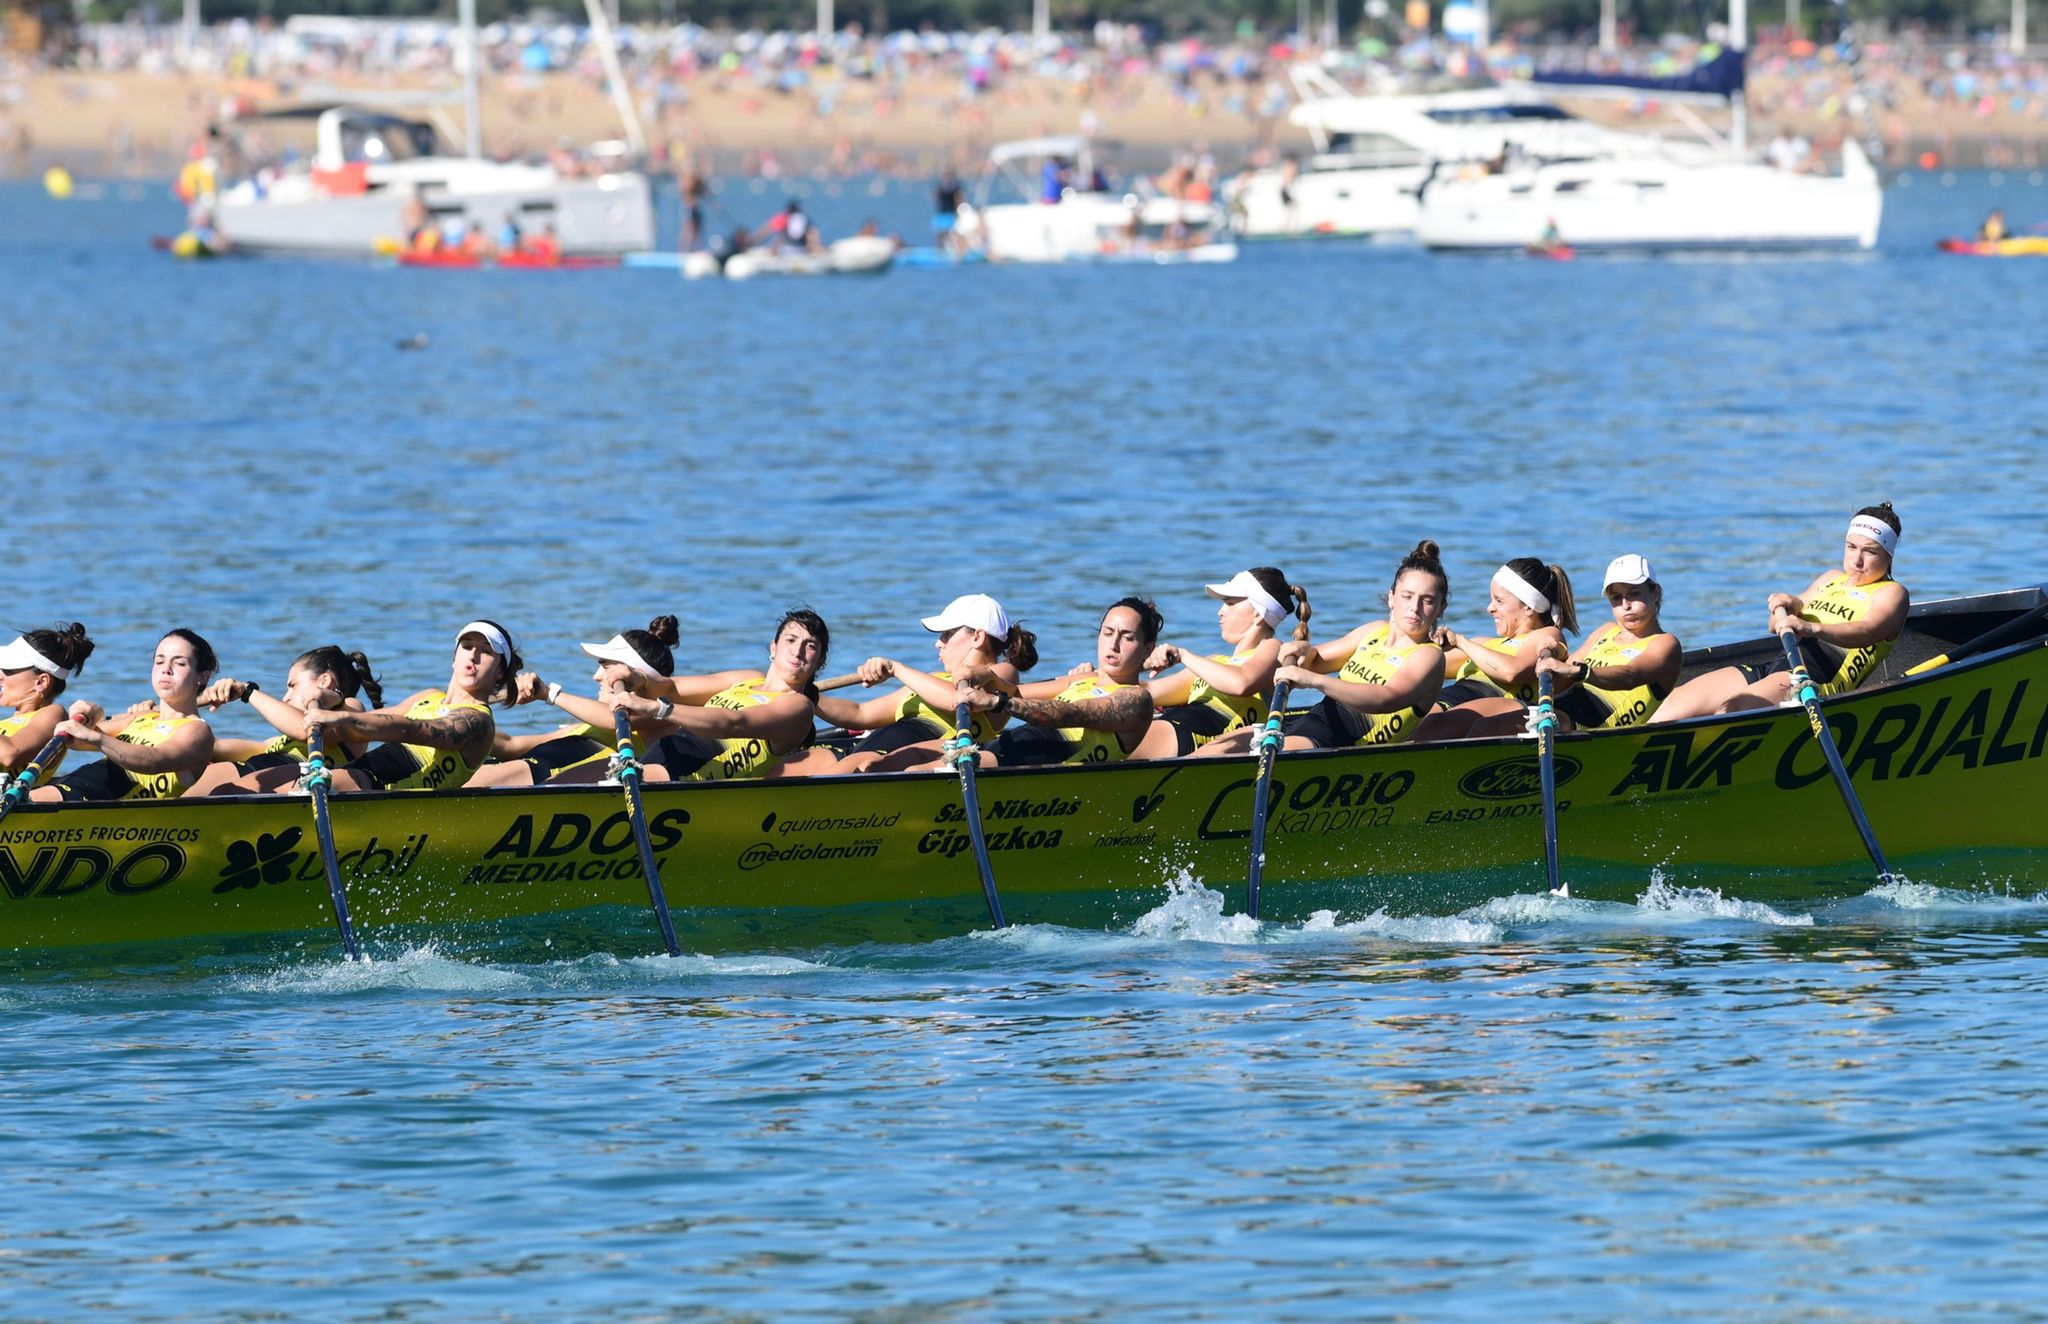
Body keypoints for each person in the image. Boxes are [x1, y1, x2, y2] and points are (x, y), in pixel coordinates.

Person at [1654, 504, 1908, 721]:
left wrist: (1809, 627)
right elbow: (1772, 625)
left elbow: (1866, 631)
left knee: (1731, 710)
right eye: (1851, 547)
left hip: (1812, 682)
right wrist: (1788, 606)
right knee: (1671, 706)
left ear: (1888, 555)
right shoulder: (1830, 579)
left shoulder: (1892, 593)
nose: (1857, 560)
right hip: (1775, 666)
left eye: (1870, 551)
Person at [1202, 541, 1448, 754]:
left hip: (1345, 741)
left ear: (1440, 608)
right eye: (1407, 596)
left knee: (1252, 750)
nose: (1414, 608)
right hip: (1318, 719)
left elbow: (1387, 698)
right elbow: (1317, 660)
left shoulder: (1428, 655)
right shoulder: (1374, 630)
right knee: (1225, 744)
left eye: (1427, 601)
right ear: (1392, 597)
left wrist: (1314, 680)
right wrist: (1301, 653)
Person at [603, 609, 830, 782]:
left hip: (693, 774)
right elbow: (670, 688)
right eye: (791, 640)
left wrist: (657, 708)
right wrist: (638, 678)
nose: (797, 651)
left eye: (810, 646)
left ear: (819, 661)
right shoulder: (747, 677)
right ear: (773, 647)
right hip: (664, 750)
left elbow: (733, 723)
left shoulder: (799, 707)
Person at [819, 595, 1037, 774]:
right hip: (879, 743)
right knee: (811, 760)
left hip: (917, 750)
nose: (938, 643)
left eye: (947, 634)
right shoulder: (932, 679)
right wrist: (808, 696)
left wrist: (896, 669)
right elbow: (860, 713)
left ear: (978, 637)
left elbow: (957, 699)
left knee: (844, 768)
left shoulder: (1002, 672)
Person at [300, 622, 519, 793]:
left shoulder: (478, 722)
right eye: (467, 646)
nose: (473, 655)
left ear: (500, 672)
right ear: (454, 658)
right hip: (359, 773)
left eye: (486, 651)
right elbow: (357, 732)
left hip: (382, 789)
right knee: (275, 779)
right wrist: (336, 703)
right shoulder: (429, 696)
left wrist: (341, 717)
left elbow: (412, 730)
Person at [469, 616, 682, 788]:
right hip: (524, 773)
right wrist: (465, 718)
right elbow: (510, 745)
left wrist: (548, 693)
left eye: (607, 668)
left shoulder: (664, 719)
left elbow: (614, 718)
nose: (596, 676)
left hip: (536, 781)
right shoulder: (587, 726)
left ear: (635, 677)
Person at [953, 598, 1162, 767]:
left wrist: (995, 701)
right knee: (928, 755)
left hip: (1050, 756)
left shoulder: (1137, 700)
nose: (1113, 645)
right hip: (1019, 742)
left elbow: (1068, 713)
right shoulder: (1085, 679)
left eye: (1127, 637)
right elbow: (1017, 692)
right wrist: (990, 678)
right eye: (1107, 633)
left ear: (1148, 649)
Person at [1128, 568, 1309, 759]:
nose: (1220, 612)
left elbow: (1242, 683)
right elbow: (1147, 690)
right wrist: (1100, 677)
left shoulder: (1272, 648)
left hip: (1201, 736)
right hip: (1175, 726)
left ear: (1258, 613)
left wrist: (1183, 656)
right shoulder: (1213, 662)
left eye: (1229, 603)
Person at [34, 629, 218, 802]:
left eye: (179, 663)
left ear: (203, 677)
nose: (166, 669)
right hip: (85, 783)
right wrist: (91, 715)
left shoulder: (197, 730)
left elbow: (154, 760)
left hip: (111, 797)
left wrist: (95, 737)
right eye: (159, 661)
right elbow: (78, 741)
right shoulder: (143, 716)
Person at [183, 646, 386, 795]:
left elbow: (302, 728)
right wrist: (173, 717)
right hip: (263, 769)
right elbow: (215, 746)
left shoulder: (351, 707)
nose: (285, 697)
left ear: (324, 682)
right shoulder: (279, 743)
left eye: (293, 685)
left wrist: (247, 692)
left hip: (293, 776)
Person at [1414, 558, 1578, 741]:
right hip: (1451, 699)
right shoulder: (1484, 644)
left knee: (1435, 725)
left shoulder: (1547, 636)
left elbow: (1512, 671)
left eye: (1499, 601)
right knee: (1411, 720)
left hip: (1499, 703)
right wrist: (1424, 641)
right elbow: (1421, 669)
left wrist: (1461, 641)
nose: (1489, 608)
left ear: (1529, 607)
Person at [1532, 555, 1683, 730]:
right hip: (1560, 709)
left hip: (1590, 727)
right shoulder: (1605, 631)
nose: (1626, 605)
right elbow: (1561, 680)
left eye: (1634, 594)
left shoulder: (1665, 643)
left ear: (1655, 593)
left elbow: (1631, 675)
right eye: (1616, 598)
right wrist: (1557, 654)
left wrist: (1576, 670)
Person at [0, 623, 95, 790]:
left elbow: (10, 754)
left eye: (8, 670)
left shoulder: (53, 714)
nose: (1, 675)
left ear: (41, 682)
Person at [933, 168, 963, 250]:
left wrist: (958, 211)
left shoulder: (955, 188)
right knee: (940, 233)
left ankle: (956, 248)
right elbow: (935, 196)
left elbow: (959, 199)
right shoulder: (940, 187)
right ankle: (940, 250)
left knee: (953, 232)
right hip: (941, 213)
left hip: (951, 213)